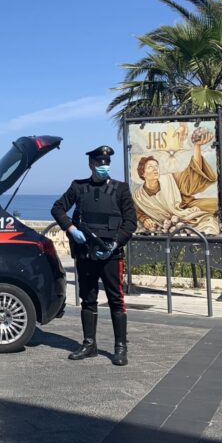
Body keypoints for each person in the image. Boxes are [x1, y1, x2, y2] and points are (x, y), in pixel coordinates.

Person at [51, 145, 137, 366]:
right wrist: (72, 229)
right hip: (86, 253)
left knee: (116, 299)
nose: (103, 167)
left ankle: (120, 347)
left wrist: (116, 242)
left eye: (106, 163)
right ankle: (89, 344)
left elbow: (130, 222)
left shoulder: (121, 189)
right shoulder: (78, 187)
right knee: (88, 299)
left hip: (111, 254)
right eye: (99, 163)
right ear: (91, 164)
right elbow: (58, 208)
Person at [132, 127, 220, 236]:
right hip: (163, 228)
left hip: (187, 216)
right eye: (150, 167)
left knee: (210, 224)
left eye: (156, 166)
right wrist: (144, 219)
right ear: (143, 173)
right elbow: (137, 212)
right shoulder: (138, 196)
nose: (155, 169)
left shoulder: (170, 179)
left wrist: (197, 146)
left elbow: (192, 174)